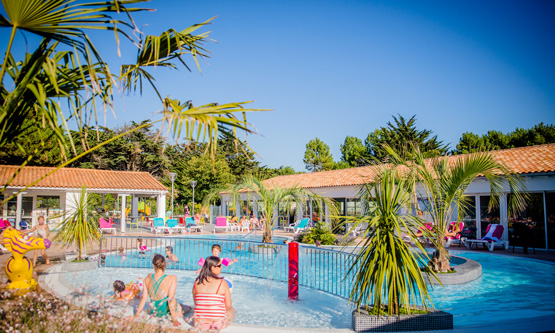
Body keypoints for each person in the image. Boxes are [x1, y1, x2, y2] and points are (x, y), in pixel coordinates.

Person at [130, 254, 183, 327]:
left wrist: (136, 314)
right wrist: (174, 319)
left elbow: (144, 298)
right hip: (166, 313)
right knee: (181, 307)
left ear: (153, 265)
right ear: (164, 263)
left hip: (154, 311)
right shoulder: (172, 278)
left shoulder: (147, 278)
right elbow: (170, 299)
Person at [191, 256, 235, 331]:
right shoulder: (222, 283)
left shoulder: (196, 282)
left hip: (199, 323)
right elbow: (228, 305)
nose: (221, 267)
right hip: (216, 324)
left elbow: (196, 302)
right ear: (212, 268)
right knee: (232, 310)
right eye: (219, 265)